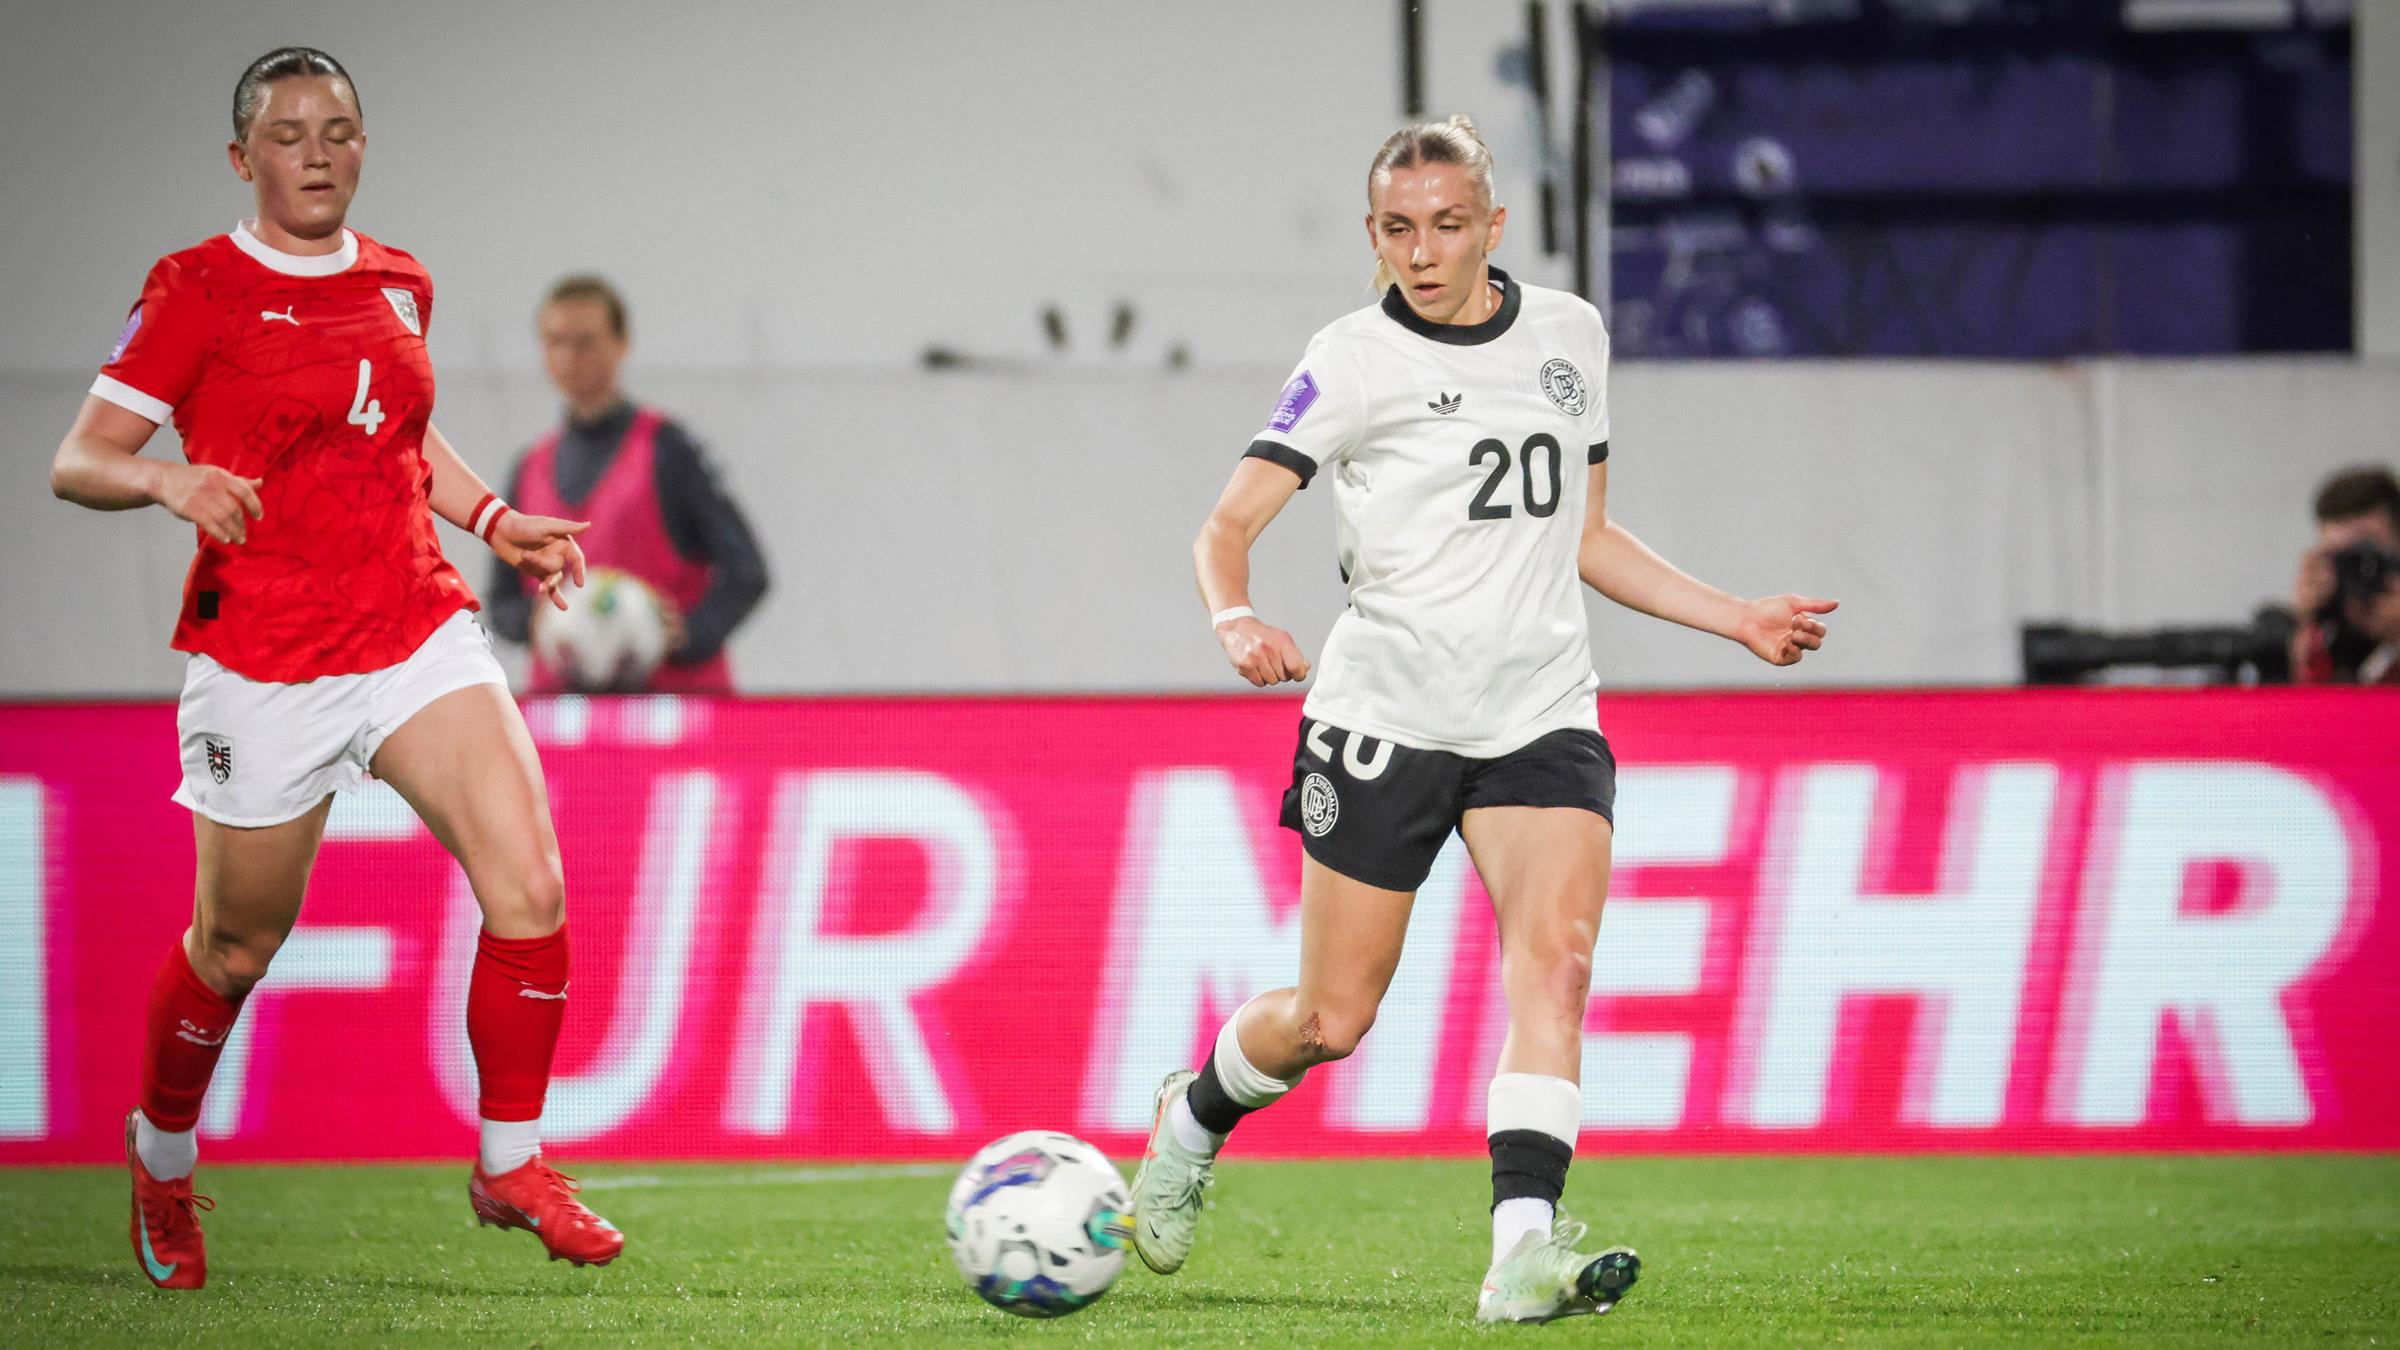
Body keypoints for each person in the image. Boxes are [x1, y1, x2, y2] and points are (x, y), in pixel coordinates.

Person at [1128, 116, 1836, 1324]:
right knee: (1328, 1022)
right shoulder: (1352, 360)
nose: (1424, 251)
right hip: (1386, 719)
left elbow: (1586, 535)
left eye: (1449, 225)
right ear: (1372, 234)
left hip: (1538, 713)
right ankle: (1192, 1121)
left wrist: (1734, 616)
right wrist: (1234, 617)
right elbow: (1225, 526)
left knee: (1557, 967)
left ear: (1493, 226)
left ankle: (1521, 1258)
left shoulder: (1570, 335)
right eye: (1398, 228)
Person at [48, 48, 624, 1289]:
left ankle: (511, 1163)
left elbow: (399, 432)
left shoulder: (399, 281)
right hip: (265, 659)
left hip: (412, 627)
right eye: (290, 133)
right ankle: (161, 1156)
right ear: (241, 156)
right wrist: (167, 479)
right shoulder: (195, 287)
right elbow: (78, 460)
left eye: (340, 131)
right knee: (234, 948)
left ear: (364, 145)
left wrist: (494, 521)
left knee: (530, 884)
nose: (318, 153)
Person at [484, 275, 769, 694]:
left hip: (673, 704)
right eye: (556, 342)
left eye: (585, 342)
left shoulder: (668, 450)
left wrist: (688, 634)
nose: (569, 357)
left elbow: (747, 572)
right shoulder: (529, 468)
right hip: (567, 713)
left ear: (621, 344)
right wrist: (537, 620)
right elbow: (501, 602)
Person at [2289, 465, 2400, 684]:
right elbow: (2313, 699)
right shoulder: (2327, 626)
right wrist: (2307, 623)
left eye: (2367, 554)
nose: (2354, 571)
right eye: (2340, 558)